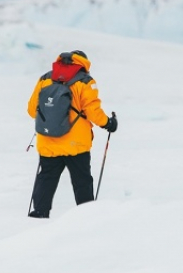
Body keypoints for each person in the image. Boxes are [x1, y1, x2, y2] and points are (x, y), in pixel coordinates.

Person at [26, 51, 116, 219]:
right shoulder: (85, 81)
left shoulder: (45, 79)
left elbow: (32, 110)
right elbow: (93, 111)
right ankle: (87, 216)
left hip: (49, 140)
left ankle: (39, 214)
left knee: (46, 177)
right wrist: (109, 123)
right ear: (83, 63)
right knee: (82, 180)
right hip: (76, 143)